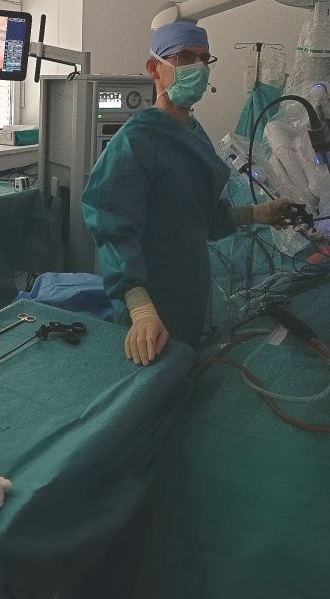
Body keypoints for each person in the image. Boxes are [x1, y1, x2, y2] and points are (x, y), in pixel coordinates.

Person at [82, 21, 294, 365]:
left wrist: (260, 213)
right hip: (151, 299)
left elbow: (202, 218)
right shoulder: (135, 141)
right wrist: (140, 309)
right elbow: (112, 229)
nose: (197, 67)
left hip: (191, 288)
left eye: (203, 59)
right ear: (154, 68)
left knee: (188, 372)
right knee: (152, 379)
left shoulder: (194, 134)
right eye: (183, 57)